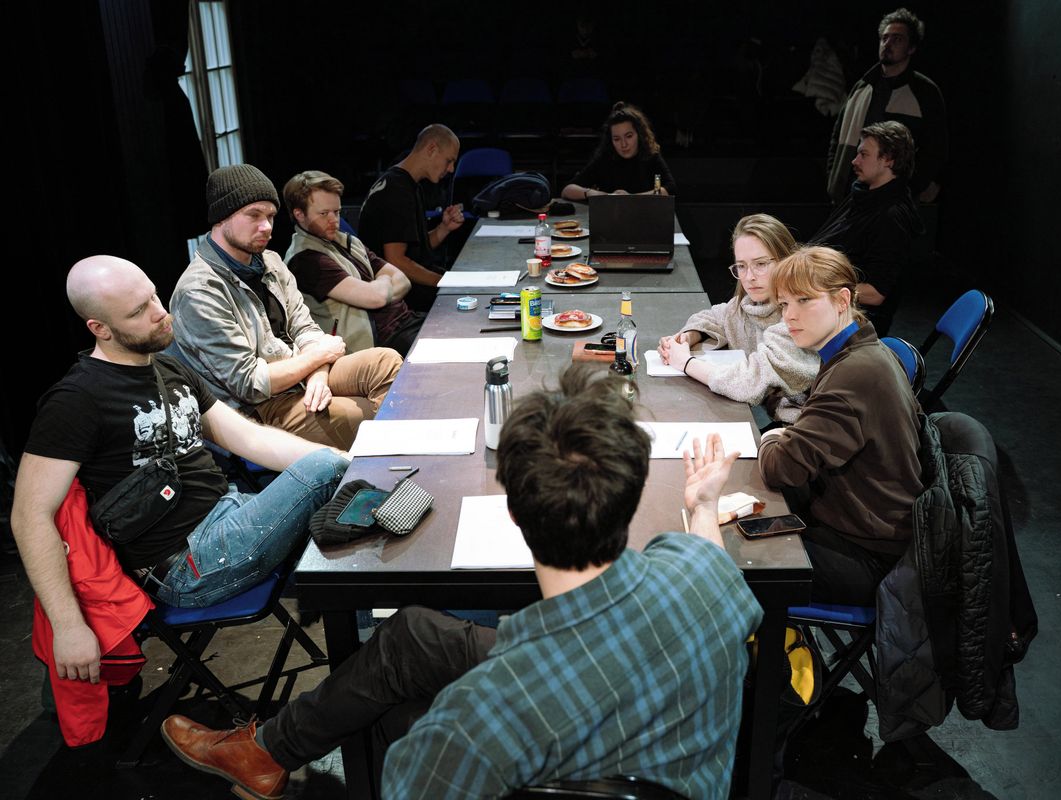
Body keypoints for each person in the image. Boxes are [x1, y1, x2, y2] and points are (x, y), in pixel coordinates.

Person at [160, 366, 763, 800]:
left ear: (515, 514)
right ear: (633, 494)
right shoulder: (704, 576)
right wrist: (702, 507)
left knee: (397, 708)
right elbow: (705, 560)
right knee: (412, 638)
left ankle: (276, 750)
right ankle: (266, 751)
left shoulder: (468, 729)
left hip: (545, 701)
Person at [11, 255, 349, 684]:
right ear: (100, 328)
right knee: (330, 472)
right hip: (188, 564)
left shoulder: (168, 367)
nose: (160, 312)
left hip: (230, 515)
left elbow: (249, 439)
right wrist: (68, 626)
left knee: (343, 518)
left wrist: (348, 464)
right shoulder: (75, 401)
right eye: (139, 311)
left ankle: (364, 655)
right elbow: (30, 516)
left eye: (154, 296)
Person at [171, 164, 403, 451]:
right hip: (255, 409)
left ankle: (388, 457)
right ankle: (384, 465)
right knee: (369, 415)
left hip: (300, 373)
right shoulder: (199, 290)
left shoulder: (270, 261)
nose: (267, 226)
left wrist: (318, 372)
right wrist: (317, 359)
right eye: (254, 215)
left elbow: (305, 327)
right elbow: (249, 384)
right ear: (221, 218)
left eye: (270, 216)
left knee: (386, 362)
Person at [757, 246, 923, 606]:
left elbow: (780, 467)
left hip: (869, 556)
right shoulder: (864, 350)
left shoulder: (853, 374)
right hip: (867, 530)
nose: (790, 315)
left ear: (842, 300)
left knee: (741, 566)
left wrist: (772, 435)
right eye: (784, 304)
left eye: (804, 300)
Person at [658, 214, 820, 423]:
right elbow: (714, 316)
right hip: (768, 419)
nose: (749, 276)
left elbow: (751, 382)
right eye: (741, 266)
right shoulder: (751, 305)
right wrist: (687, 338)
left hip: (800, 427)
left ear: (786, 261)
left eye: (760, 264)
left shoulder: (796, 318)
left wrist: (686, 363)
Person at [282, 170, 425, 357]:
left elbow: (403, 280)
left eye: (337, 212)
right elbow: (376, 298)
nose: (334, 220)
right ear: (299, 214)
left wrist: (380, 292)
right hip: (378, 343)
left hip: (404, 322)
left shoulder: (346, 240)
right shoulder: (306, 260)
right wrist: (383, 283)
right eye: (324, 213)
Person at [810, 120, 923, 336]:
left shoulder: (892, 217)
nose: (855, 161)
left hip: (854, 320)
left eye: (864, 154)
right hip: (828, 303)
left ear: (888, 159)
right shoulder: (863, 194)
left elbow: (876, 293)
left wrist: (813, 289)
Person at [827, 7, 947, 203]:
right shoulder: (863, 87)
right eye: (884, 38)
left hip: (894, 201)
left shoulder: (924, 91)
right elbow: (838, 137)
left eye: (897, 39)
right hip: (851, 196)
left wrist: (911, 188)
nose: (887, 44)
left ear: (911, 48)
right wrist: (835, 181)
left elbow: (936, 149)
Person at [357, 124, 466, 312]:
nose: (451, 169)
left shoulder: (407, 184)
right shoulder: (397, 191)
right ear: (431, 149)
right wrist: (444, 282)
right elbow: (396, 261)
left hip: (405, 286)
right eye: (449, 161)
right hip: (397, 297)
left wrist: (444, 228)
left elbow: (415, 251)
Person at [561, 102, 678, 200]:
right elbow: (567, 189)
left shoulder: (651, 156)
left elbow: (670, 188)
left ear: (639, 134)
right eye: (617, 139)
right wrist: (595, 194)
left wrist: (630, 198)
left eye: (629, 136)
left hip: (645, 217)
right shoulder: (605, 159)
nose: (624, 144)